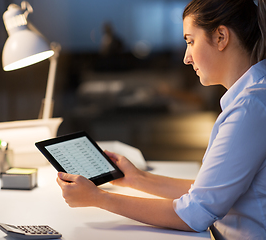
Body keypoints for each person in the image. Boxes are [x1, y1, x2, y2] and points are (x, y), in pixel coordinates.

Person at [56, 0, 266, 239]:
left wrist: (98, 198)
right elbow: (206, 193)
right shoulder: (252, 98)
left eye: (190, 41)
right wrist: (137, 179)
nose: (187, 57)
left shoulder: (250, 108)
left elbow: (195, 213)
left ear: (220, 37)